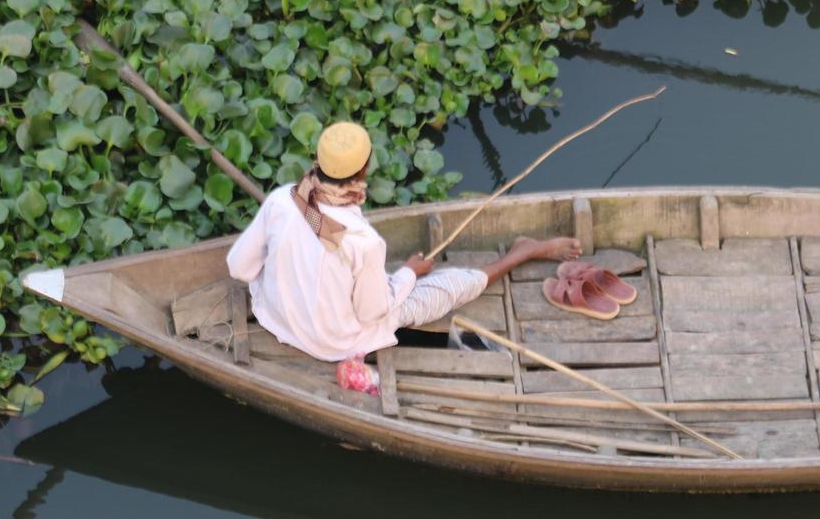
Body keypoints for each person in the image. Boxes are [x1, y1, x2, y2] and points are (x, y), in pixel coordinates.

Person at [226, 121, 580, 362]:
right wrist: (409, 273)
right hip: (332, 342)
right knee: (447, 287)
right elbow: (373, 311)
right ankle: (524, 251)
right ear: (363, 171)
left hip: (274, 317)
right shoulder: (362, 242)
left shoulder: (282, 200)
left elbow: (239, 267)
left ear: (317, 163)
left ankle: (522, 251)